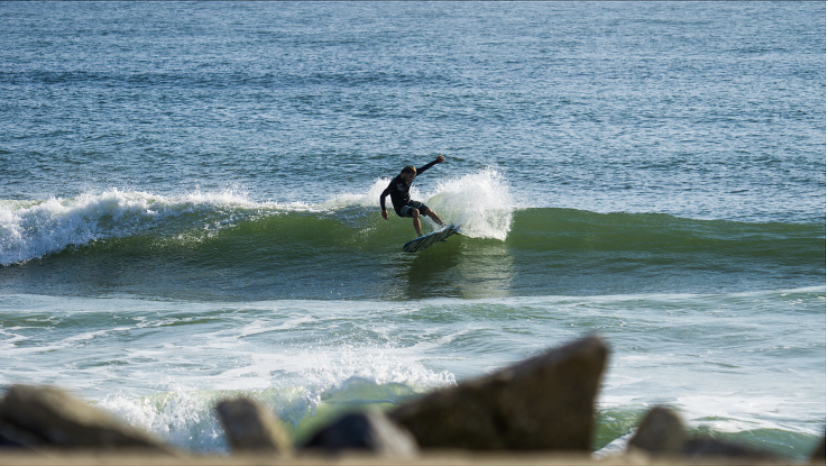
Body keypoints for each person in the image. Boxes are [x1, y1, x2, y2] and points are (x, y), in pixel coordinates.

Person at [380, 155, 446, 237]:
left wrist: (436, 161)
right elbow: (383, 195)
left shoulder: (411, 175)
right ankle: (420, 235)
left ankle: (443, 225)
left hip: (409, 202)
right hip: (400, 207)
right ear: (404, 174)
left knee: (427, 210)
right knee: (416, 211)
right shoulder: (395, 183)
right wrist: (384, 210)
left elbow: (424, 168)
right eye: (410, 177)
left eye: (413, 177)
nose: (411, 179)